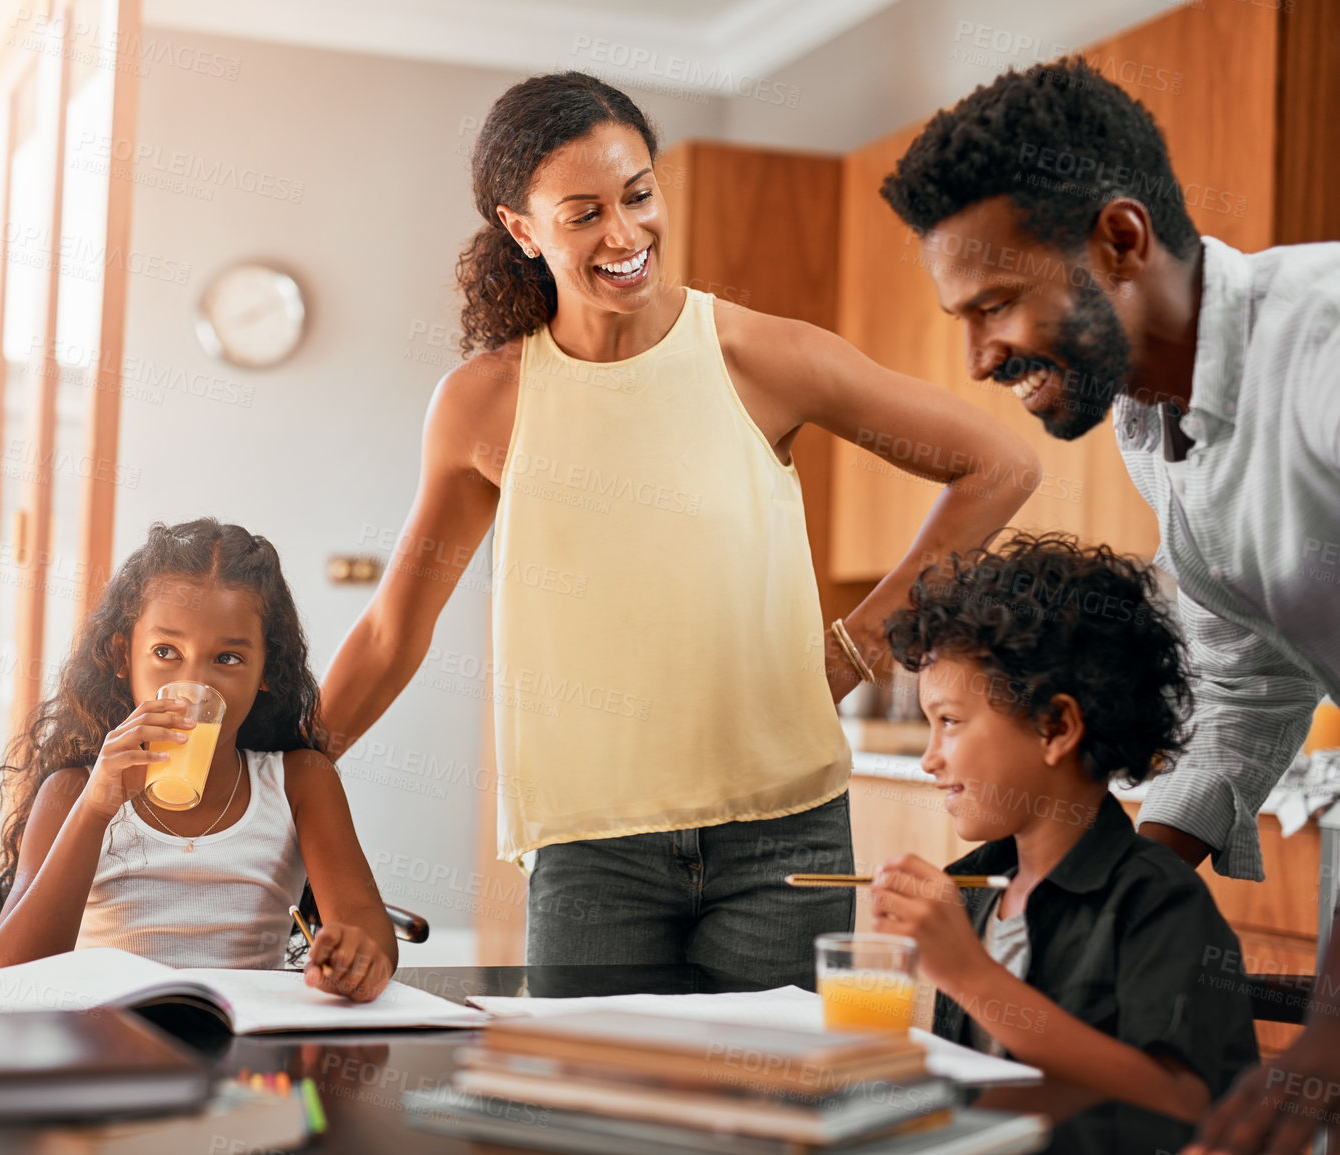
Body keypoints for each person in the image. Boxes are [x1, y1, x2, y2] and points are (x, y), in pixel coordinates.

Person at [318, 71, 1041, 988]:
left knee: (768, 1121)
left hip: (781, 839)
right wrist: (282, 776)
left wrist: (859, 643)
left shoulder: (758, 356)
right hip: (590, 851)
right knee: (594, 1125)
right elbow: (392, 630)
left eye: (639, 195)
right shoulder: (485, 406)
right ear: (521, 229)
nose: (624, 235)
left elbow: (999, 464)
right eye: (582, 213)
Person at [878, 56, 1340, 1149]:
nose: (980, 354)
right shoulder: (1152, 421)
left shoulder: (1321, 354)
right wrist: (1108, 881)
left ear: (1120, 242)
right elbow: (1246, 679)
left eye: (996, 304)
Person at [870, 533, 1257, 1121]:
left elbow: (1181, 1100)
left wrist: (968, 975)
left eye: (949, 721)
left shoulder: (1156, 902)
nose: (929, 757)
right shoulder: (971, 891)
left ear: (1055, 727)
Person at [0, 518, 396, 1003]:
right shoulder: (74, 791)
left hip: (245, 1059)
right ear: (122, 656)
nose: (197, 685)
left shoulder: (301, 783)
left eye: (228, 659)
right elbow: (9, 975)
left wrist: (357, 955)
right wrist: (95, 808)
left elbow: (368, 928)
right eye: (165, 651)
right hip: (109, 1050)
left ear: (267, 669)